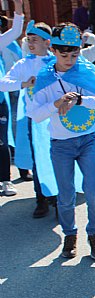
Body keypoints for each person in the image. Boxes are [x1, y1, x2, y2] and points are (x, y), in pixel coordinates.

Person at [27, 23, 95, 260]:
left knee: (94, 192)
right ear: (53, 50)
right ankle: (70, 235)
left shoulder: (88, 71)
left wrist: (79, 99)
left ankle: (94, 234)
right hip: (61, 145)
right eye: (64, 54)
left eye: (75, 53)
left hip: (88, 141)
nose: (70, 59)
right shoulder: (45, 78)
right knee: (66, 196)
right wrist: (56, 103)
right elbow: (34, 114)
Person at [0, 20, 51, 216]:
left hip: (56, 120)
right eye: (29, 39)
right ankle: (41, 198)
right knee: (38, 158)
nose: (30, 43)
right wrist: (23, 84)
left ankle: (55, 194)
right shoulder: (24, 64)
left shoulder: (57, 62)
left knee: (56, 158)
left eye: (35, 39)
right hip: (35, 121)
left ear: (47, 42)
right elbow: (3, 83)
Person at [0, 0, 23, 197]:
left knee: (2, 141)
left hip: (0, 101)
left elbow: (16, 31)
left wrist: (19, 7)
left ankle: (6, 180)